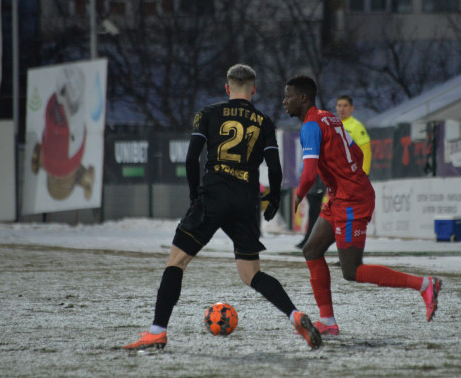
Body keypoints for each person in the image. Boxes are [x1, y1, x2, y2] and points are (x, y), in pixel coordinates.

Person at [123, 64, 321, 351]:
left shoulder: (208, 113)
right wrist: (275, 196)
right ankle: (295, 315)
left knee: (176, 262)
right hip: (245, 201)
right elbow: (274, 168)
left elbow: (192, 159)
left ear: (228, 88)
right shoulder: (264, 122)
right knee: (251, 273)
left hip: (213, 195)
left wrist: (195, 196)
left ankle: (157, 331)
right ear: (253, 89)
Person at [283, 75, 442, 336]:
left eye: (288, 96)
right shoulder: (329, 118)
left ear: (302, 98)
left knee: (352, 270)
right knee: (311, 250)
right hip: (342, 195)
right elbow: (356, 152)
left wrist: (299, 194)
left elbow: (309, 174)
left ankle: (425, 284)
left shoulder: (311, 125)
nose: (284, 101)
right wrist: (346, 178)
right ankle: (329, 322)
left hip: (351, 200)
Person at [335, 95, 371, 175]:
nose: (342, 109)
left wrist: (364, 172)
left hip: (352, 172)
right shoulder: (333, 124)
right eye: (339, 105)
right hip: (336, 173)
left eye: (345, 106)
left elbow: (366, 150)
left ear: (352, 108)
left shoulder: (356, 126)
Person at [296, 175, 326, 249]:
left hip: (315, 190)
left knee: (314, 217)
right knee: (314, 216)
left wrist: (320, 187)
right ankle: (311, 239)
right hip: (313, 189)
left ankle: (310, 240)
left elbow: (318, 173)